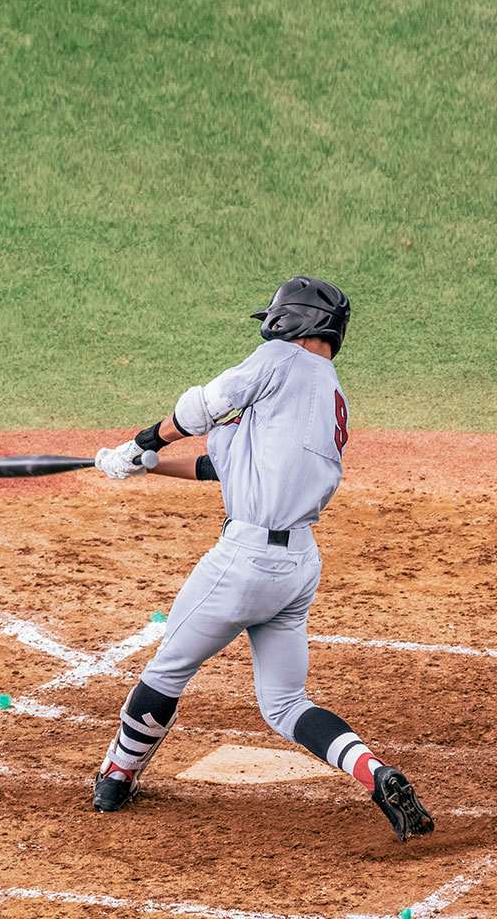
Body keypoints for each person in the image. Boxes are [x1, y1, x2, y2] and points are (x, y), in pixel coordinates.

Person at [91, 277, 434, 842]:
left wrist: (143, 441)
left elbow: (202, 406)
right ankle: (375, 773)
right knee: (285, 704)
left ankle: (116, 777)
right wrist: (145, 467)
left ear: (294, 321)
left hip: (244, 562)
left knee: (166, 672)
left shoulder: (278, 360)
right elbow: (221, 467)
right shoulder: (328, 396)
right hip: (298, 567)